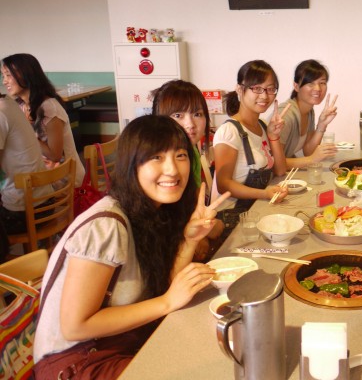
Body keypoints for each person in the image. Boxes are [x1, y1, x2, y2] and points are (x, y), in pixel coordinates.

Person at [33, 115, 230, 379]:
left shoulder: (155, 210)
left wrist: (190, 238)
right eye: (156, 157)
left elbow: (167, 286)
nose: (172, 169)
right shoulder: (106, 225)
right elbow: (75, 327)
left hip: (124, 340)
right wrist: (166, 303)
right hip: (79, 361)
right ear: (131, 165)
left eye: (180, 155)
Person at [213, 60, 288, 233]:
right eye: (257, 88)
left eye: (270, 89)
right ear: (240, 90)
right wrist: (265, 193)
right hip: (234, 219)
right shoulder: (229, 131)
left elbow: (280, 170)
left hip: (258, 210)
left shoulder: (262, 125)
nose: (264, 96)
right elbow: (223, 184)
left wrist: (273, 137)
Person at [1, 53, 84, 187]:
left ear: (27, 74)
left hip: (63, 177)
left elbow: (55, 155)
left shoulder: (49, 108)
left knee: (10, 190)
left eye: (8, 75)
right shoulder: (20, 106)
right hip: (40, 172)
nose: (4, 81)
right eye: (3, 76)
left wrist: (26, 132)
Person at [0, 93, 54, 262]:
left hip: (24, 212)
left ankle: (12, 270)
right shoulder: (8, 103)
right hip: (44, 202)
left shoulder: (1, 113)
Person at [274, 60, 338, 168]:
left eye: (322, 83)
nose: (318, 89)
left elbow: (308, 151)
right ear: (296, 86)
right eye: (310, 83)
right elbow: (274, 163)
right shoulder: (286, 115)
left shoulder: (309, 111)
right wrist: (312, 159)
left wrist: (321, 125)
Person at [151, 79, 213, 192]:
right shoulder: (150, 160)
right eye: (178, 115)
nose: (190, 124)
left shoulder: (192, 150)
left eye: (197, 114)